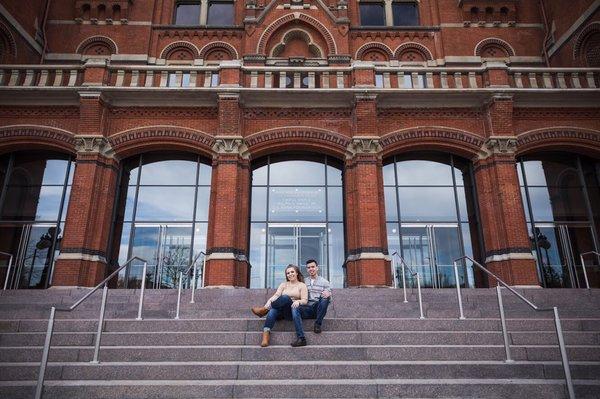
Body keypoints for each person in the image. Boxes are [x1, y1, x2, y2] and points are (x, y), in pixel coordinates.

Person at [251, 265, 308, 347]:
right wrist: (268, 302)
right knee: (273, 310)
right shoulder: (283, 284)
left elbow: (305, 300)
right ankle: (265, 336)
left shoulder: (302, 285)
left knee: (284, 298)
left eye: (292, 272)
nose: (290, 274)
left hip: (292, 312)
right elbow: (276, 296)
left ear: (297, 273)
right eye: (288, 273)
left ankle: (264, 311)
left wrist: (298, 301)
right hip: (281, 311)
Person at [298, 259, 331, 333]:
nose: (311, 269)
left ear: (317, 268)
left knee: (325, 298)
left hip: (318, 308)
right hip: (306, 309)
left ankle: (318, 324)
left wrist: (328, 294)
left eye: (312, 267)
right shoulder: (303, 281)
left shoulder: (325, 282)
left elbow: (329, 299)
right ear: (307, 269)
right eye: (308, 267)